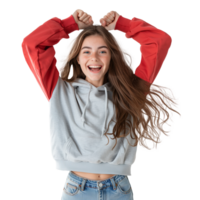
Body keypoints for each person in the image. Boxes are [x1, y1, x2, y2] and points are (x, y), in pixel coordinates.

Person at [21, 8, 183, 199]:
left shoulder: (131, 90)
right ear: (78, 58)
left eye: (102, 51)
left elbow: (158, 41)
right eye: (86, 51)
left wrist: (123, 24)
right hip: (77, 190)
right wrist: (69, 24)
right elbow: (32, 44)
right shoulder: (58, 89)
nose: (94, 58)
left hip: (119, 189)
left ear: (111, 57)